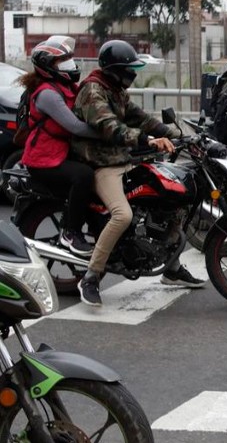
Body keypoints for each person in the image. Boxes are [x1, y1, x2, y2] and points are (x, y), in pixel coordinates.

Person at [72, 40, 204, 307]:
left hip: (125, 158)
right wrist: (148, 140)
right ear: (114, 69)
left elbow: (142, 118)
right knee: (123, 215)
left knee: (171, 201)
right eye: (128, 70)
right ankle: (91, 277)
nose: (132, 75)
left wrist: (182, 136)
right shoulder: (93, 91)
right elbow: (109, 126)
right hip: (102, 164)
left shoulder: (116, 90)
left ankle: (171, 267)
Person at [18, 36, 99, 256]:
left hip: (59, 153)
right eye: (61, 60)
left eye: (69, 59)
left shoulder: (66, 86)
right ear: (48, 67)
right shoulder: (47, 94)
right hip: (43, 159)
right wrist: (109, 132)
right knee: (83, 176)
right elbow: (76, 126)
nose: (68, 64)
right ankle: (70, 232)